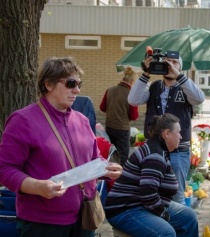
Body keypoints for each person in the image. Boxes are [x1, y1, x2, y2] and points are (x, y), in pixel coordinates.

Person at [0, 56, 122, 237]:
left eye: (79, 83)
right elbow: (5, 169)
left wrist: (105, 168)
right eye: (71, 83)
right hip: (43, 223)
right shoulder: (23, 120)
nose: (77, 89)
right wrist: (37, 187)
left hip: (84, 217)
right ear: (49, 84)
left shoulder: (81, 120)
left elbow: (94, 158)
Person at [127, 52, 205, 205]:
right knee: (151, 194)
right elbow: (133, 100)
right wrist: (146, 74)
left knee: (176, 197)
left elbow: (199, 98)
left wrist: (179, 76)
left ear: (180, 67)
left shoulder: (185, 87)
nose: (169, 65)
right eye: (166, 62)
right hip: (153, 151)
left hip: (178, 152)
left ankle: (177, 228)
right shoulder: (155, 86)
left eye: (174, 62)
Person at [104, 113, 199, 237]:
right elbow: (148, 194)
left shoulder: (159, 150)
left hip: (141, 205)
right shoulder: (155, 156)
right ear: (167, 134)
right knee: (166, 233)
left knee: (188, 217)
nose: (181, 137)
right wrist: (163, 214)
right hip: (125, 210)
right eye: (178, 132)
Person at [100, 66, 139, 166]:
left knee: (111, 153)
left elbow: (102, 107)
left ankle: (110, 176)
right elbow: (134, 116)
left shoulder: (110, 90)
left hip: (109, 126)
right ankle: (120, 178)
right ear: (132, 81)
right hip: (122, 129)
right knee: (122, 157)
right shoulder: (131, 94)